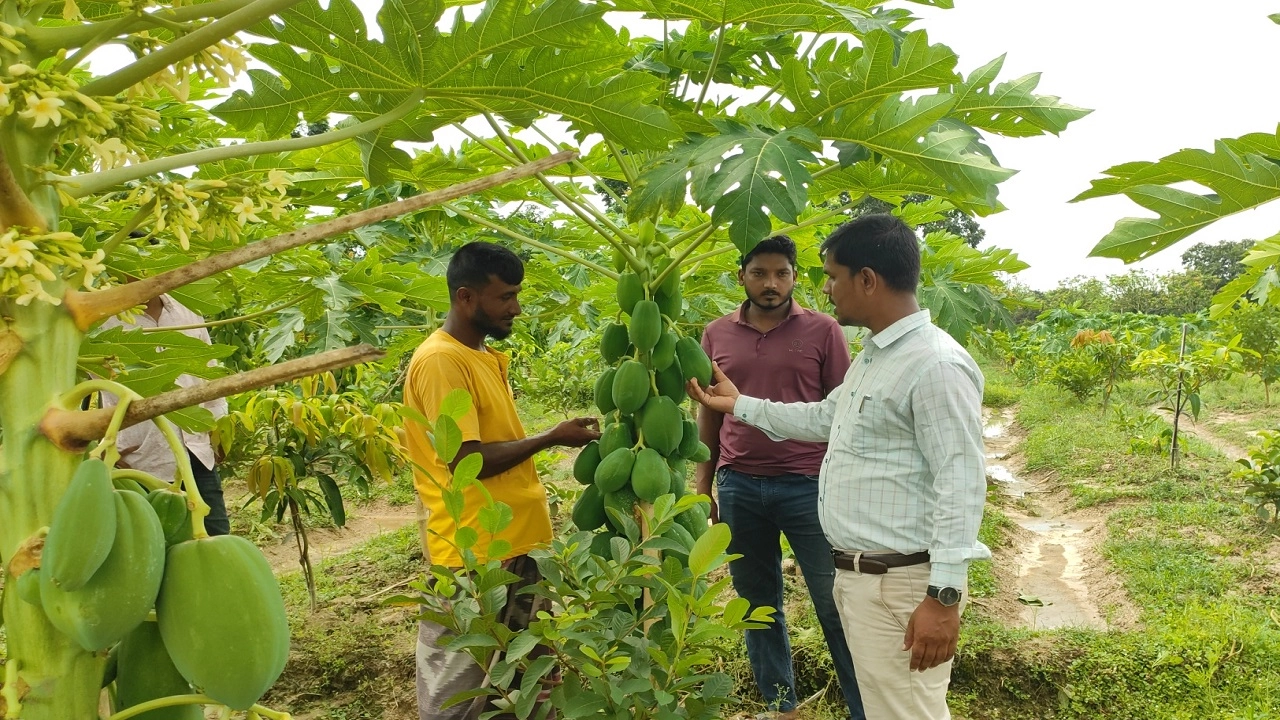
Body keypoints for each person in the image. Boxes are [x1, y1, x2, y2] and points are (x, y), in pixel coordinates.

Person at [688, 214, 989, 720]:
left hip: (902, 584)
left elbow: (961, 481)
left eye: (832, 276)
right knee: (882, 707)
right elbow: (826, 416)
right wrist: (739, 405)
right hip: (865, 577)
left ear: (867, 280)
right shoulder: (878, 356)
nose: (825, 289)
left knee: (905, 712)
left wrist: (944, 596)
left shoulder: (934, 364)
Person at [402, 242, 600, 720]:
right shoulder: (441, 362)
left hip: (518, 545)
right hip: (477, 555)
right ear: (466, 297)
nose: (516, 307)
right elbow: (465, 459)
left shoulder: (479, 355)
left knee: (526, 693)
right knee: (459, 696)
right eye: (505, 297)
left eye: (517, 295)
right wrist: (551, 437)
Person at [695, 235, 864, 720]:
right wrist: (702, 485)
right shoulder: (716, 334)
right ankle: (780, 707)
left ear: (794, 276)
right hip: (739, 484)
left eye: (781, 273)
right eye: (759, 273)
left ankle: (863, 708)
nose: (771, 284)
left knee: (835, 604)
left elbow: (843, 411)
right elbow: (708, 414)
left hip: (808, 485)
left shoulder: (824, 329)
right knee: (756, 606)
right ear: (741, 275)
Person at [101, 293, 230, 536]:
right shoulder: (102, 321)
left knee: (216, 536)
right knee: (157, 546)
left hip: (197, 452)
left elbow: (211, 375)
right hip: (139, 461)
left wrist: (217, 428)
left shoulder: (188, 311)